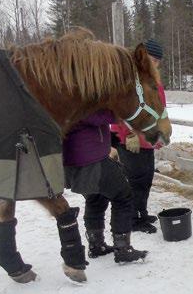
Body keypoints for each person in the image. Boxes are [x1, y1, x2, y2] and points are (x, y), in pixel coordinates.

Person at [63, 109, 147, 263]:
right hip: (90, 158)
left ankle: (97, 245)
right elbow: (96, 115)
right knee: (123, 195)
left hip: (77, 158)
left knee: (96, 197)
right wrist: (116, 112)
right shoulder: (81, 98)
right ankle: (123, 249)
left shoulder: (68, 94)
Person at [110, 38, 166, 235]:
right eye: (152, 59)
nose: (155, 64)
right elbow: (117, 110)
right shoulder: (127, 80)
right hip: (132, 140)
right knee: (135, 180)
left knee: (147, 177)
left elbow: (159, 109)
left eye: (158, 61)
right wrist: (127, 134)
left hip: (148, 138)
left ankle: (141, 212)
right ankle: (133, 218)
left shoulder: (153, 80)